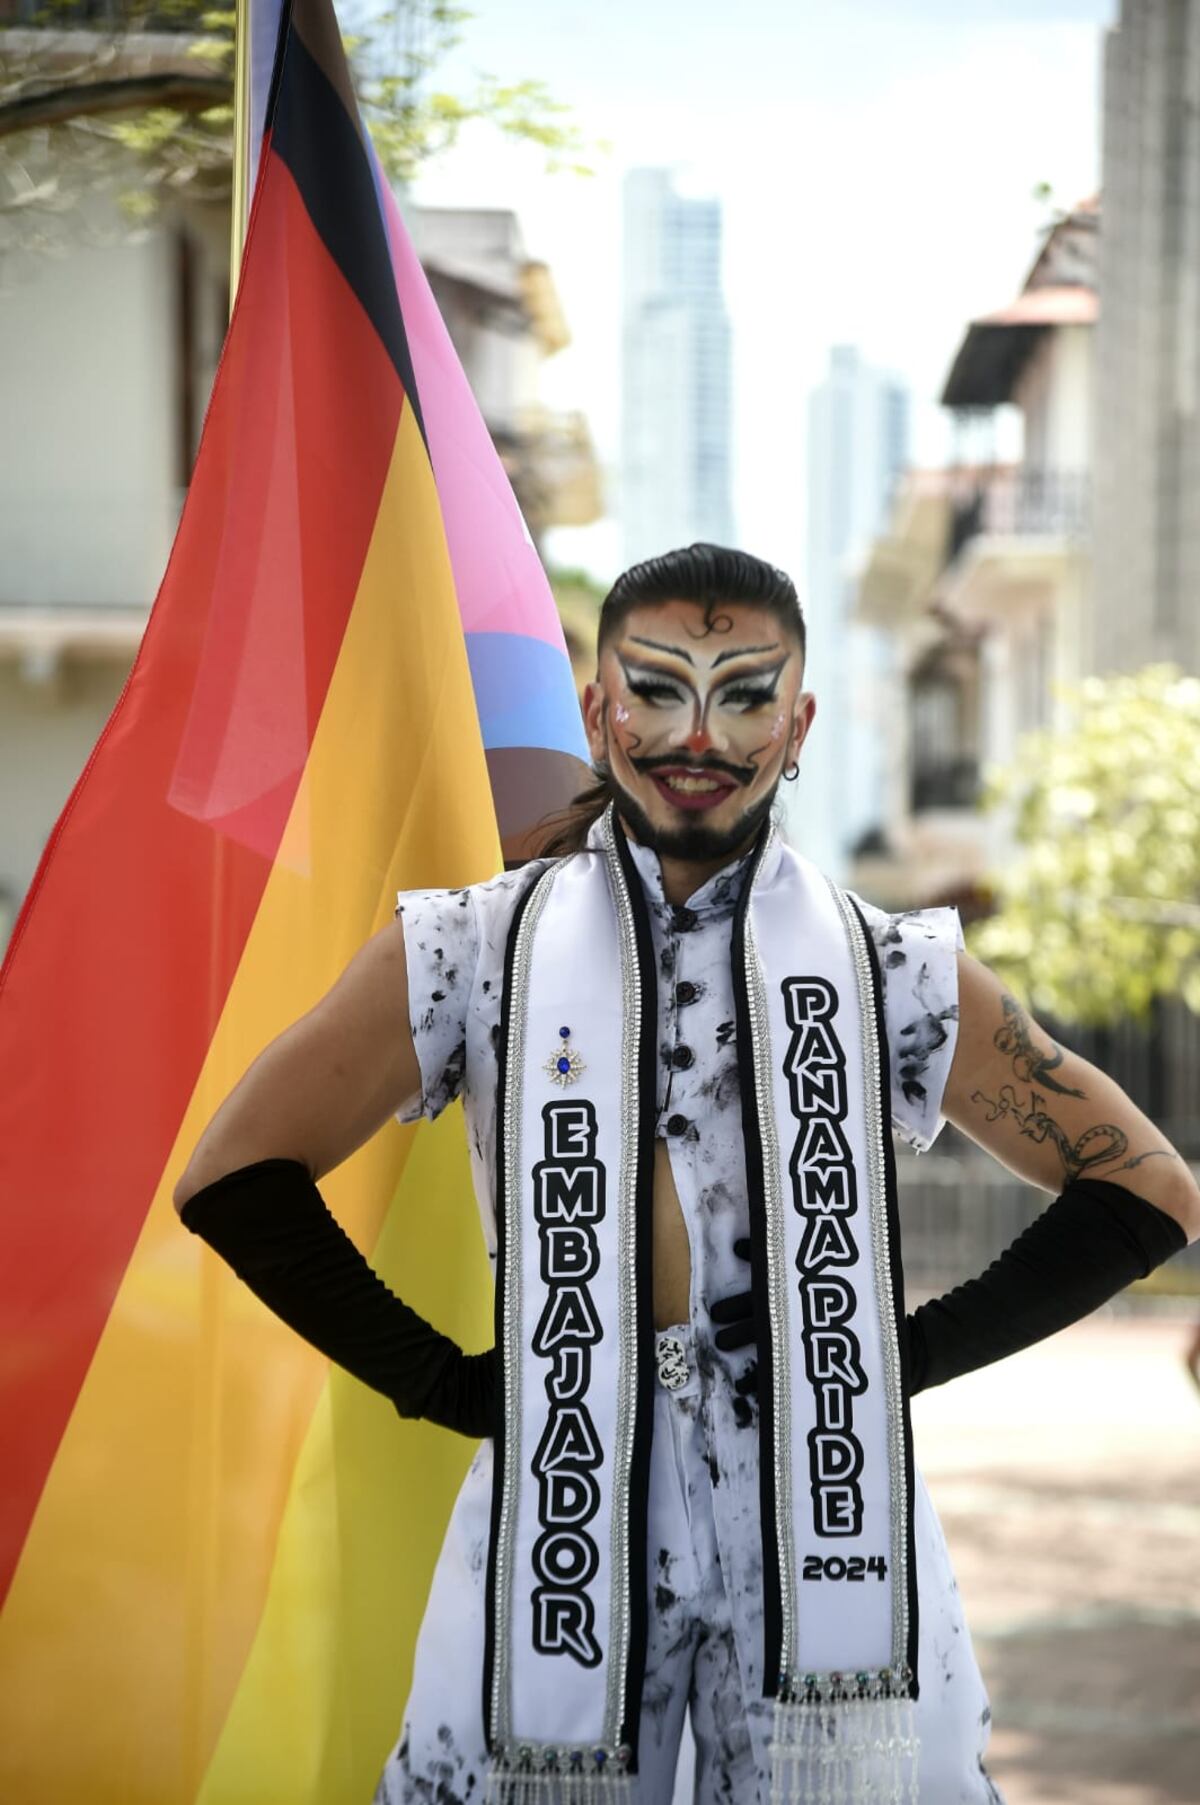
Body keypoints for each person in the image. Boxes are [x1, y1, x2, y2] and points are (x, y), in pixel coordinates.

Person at [175, 545, 1199, 1805]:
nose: (698, 732)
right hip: (561, 1501)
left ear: (801, 722)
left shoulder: (891, 967)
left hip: (826, 1495)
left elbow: (1145, 1184)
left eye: (747, 692)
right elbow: (234, 1172)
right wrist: (441, 1383)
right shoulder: (468, 945)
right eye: (657, 688)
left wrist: (900, 1353)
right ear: (600, 710)